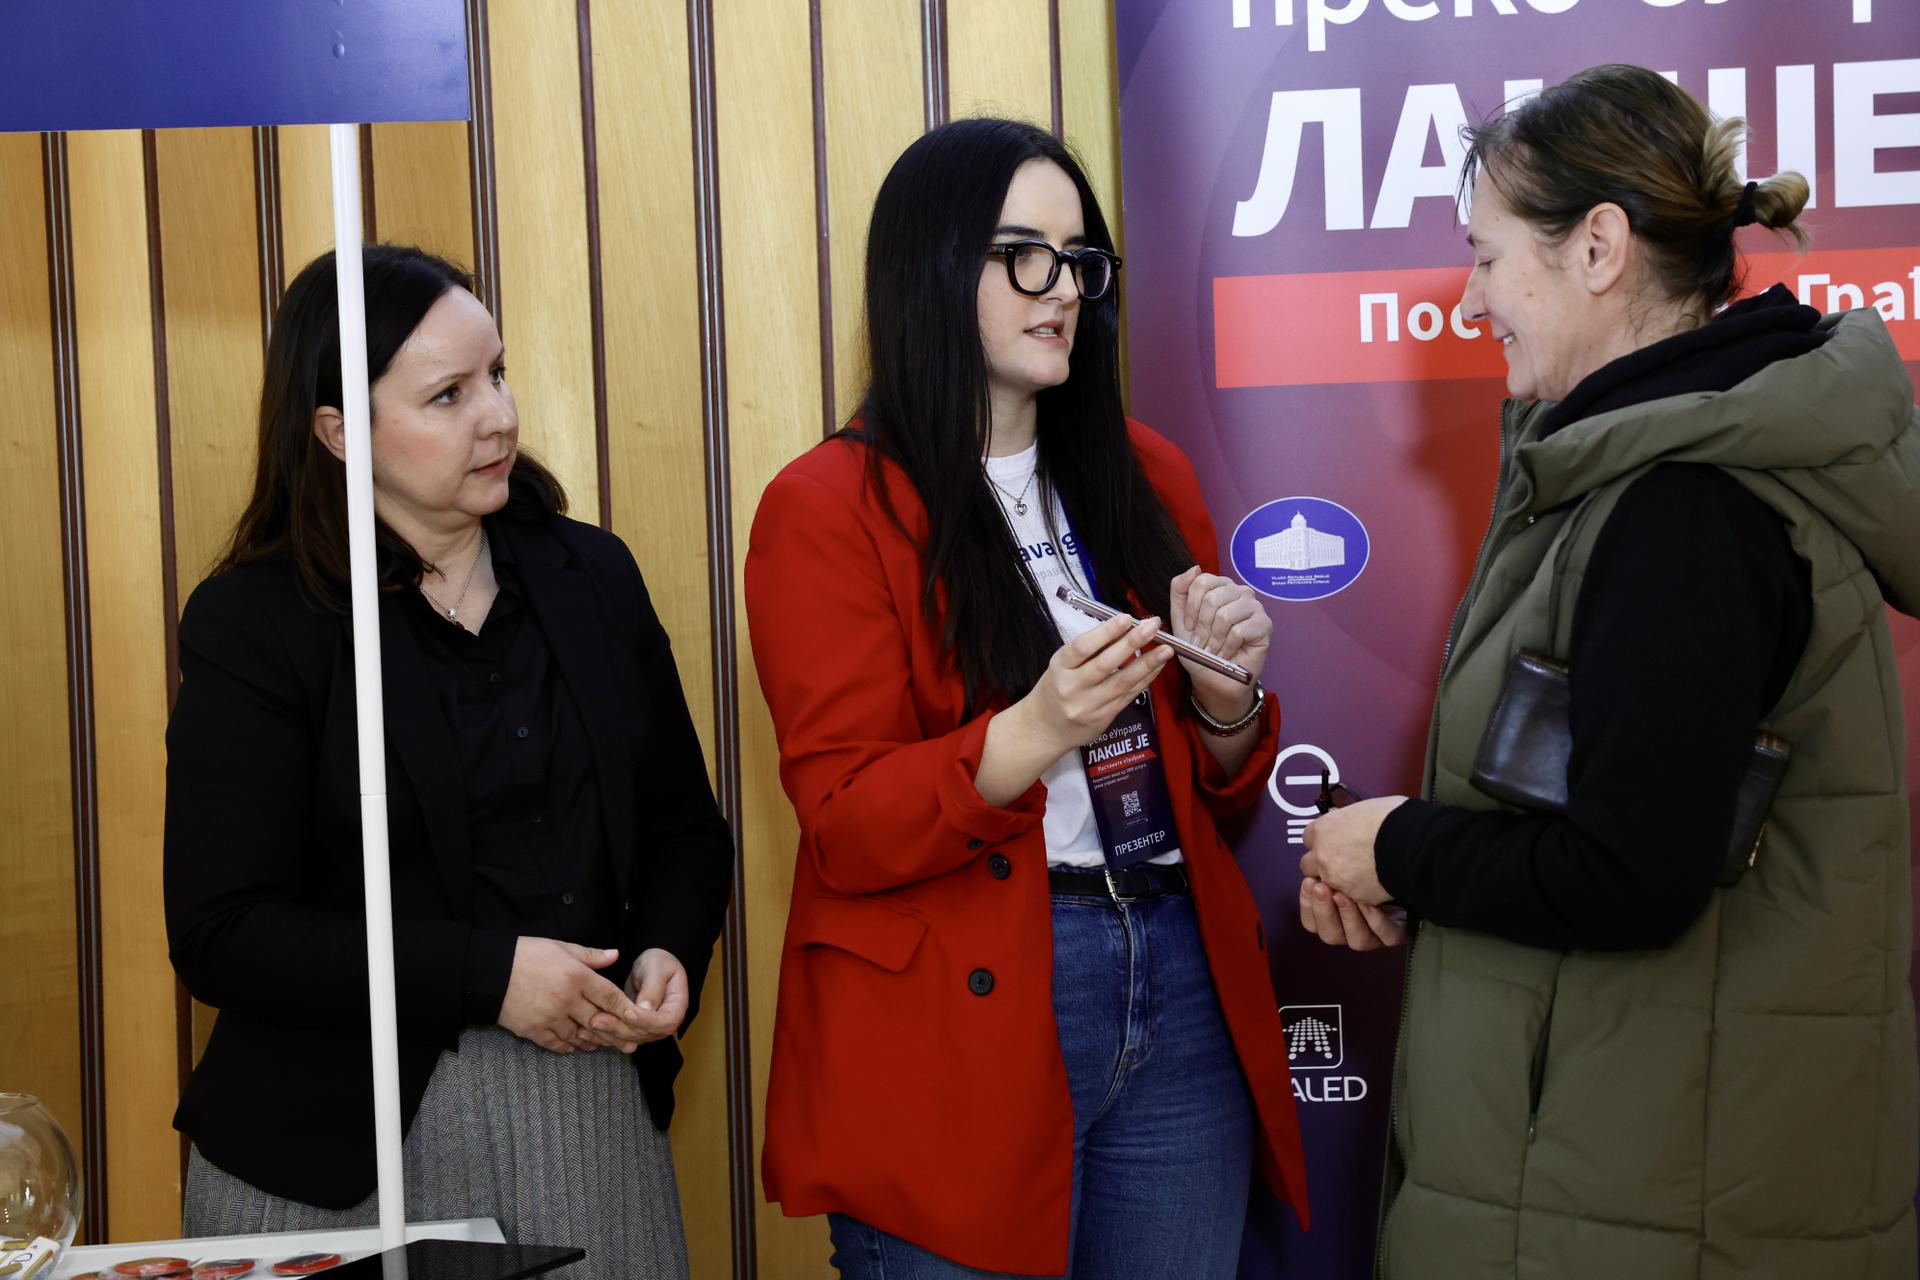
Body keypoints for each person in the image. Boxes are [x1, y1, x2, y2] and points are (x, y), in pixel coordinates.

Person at [1299, 64, 1919, 1278]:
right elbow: (1626, 811)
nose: (1473, 297)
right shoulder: (1659, 469)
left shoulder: (1686, 504)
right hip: (1641, 1171)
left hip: (1651, 1203)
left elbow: (1630, 873)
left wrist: (1398, 846)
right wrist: (1415, 864)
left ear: (1597, 248)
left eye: (1487, 257)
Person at [743, 118, 1310, 1279]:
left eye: (1080, 260)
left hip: (1175, 967)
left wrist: (1223, 698)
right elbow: (847, 818)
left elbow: (1223, 790)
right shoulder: (828, 504)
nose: (1062, 289)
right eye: (1023, 256)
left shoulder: (1147, 473)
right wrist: (1040, 728)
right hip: (965, 1006)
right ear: (932, 266)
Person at [164, 245, 734, 1279]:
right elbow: (221, 931)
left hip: (586, 1109)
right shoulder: (256, 621)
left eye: (498, 375)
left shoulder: (591, 575)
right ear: (339, 432)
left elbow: (685, 833)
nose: (499, 416)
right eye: (449, 394)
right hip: (334, 1139)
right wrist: (489, 974)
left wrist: (667, 947)